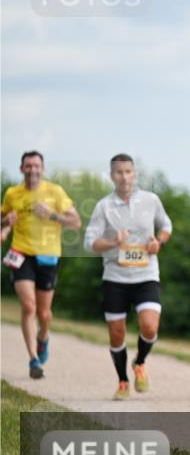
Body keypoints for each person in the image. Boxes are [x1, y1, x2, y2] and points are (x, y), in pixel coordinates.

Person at [84, 154, 173, 400]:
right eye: (118, 172)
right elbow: (89, 243)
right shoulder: (103, 206)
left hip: (146, 274)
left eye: (128, 172)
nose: (124, 177)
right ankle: (123, 381)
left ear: (135, 174)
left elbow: (166, 226)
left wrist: (159, 242)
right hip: (115, 277)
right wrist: (113, 241)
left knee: (150, 325)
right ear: (112, 176)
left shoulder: (150, 200)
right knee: (116, 333)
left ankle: (140, 362)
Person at [2, 151, 82, 379]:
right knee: (29, 307)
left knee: (44, 314)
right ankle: (33, 360)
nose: (32, 170)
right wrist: (4, 223)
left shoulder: (54, 192)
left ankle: (43, 338)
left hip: (48, 256)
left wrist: (53, 216)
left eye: (36, 166)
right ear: (21, 169)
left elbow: (76, 222)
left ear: (42, 169)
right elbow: (2, 219)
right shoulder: (12, 194)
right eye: (28, 166)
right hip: (21, 253)